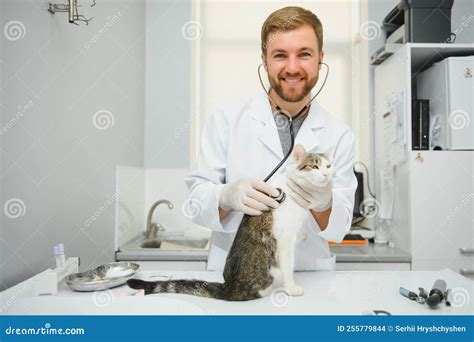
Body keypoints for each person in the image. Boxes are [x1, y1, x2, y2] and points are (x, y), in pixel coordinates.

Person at [185, 6, 357, 272]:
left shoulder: (339, 134)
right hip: (236, 273)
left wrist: (324, 203)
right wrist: (225, 196)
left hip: (305, 276)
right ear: (264, 60)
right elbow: (196, 206)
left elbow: (338, 229)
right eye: (280, 55)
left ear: (320, 58)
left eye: (304, 54)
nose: (292, 67)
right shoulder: (226, 119)